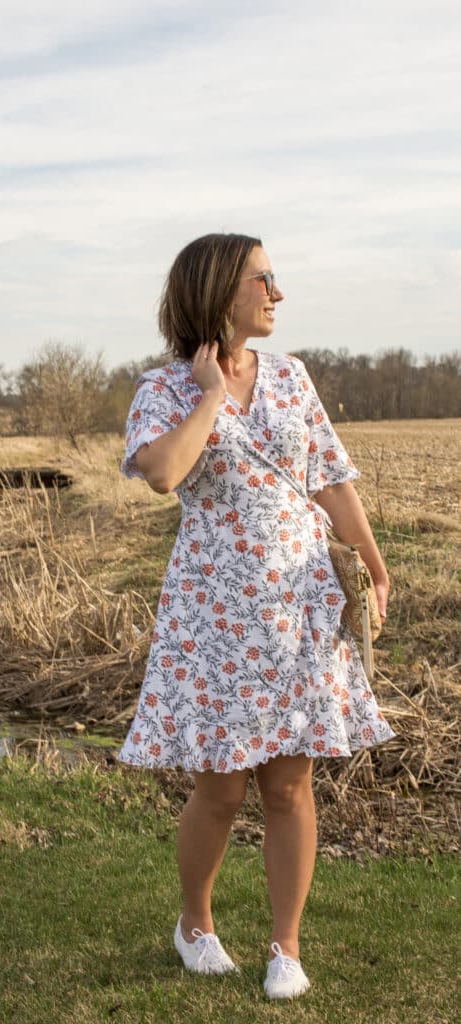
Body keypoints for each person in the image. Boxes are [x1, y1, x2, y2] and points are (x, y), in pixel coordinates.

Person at [116, 232, 397, 1000]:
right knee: (222, 790)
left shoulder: (292, 377)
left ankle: (285, 947)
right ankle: (195, 925)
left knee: (289, 786)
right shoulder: (162, 390)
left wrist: (371, 563)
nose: (277, 293)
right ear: (217, 289)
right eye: (263, 279)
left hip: (300, 604)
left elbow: (330, 477)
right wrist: (210, 392)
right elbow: (165, 474)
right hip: (216, 614)